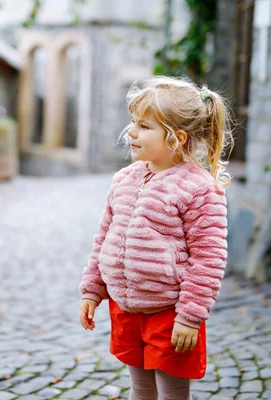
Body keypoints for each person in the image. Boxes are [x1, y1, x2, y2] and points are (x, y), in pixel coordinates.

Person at [79, 76, 231, 399]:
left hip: (169, 313)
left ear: (177, 138)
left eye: (144, 126)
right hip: (126, 308)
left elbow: (208, 258)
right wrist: (93, 289)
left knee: (172, 392)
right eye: (133, 123)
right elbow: (103, 237)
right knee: (140, 389)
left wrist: (190, 315)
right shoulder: (124, 179)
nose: (131, 132)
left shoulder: (199, 189)